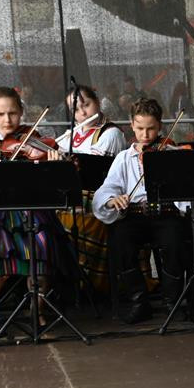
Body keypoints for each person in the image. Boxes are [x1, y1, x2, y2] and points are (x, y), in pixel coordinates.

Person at [0, 87, 69, 334]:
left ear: (21, 112)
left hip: (31, 211)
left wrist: (54, 166)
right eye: (1, 114)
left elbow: (57, 184)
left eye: (13, 113)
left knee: (40, 243)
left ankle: (36, 308)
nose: (7, 120)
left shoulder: (35, 140)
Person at [94, 98, 190, 324]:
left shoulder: (170, 153)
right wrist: (111, 200)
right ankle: (139, 301)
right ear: (131, 125)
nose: (145, 135)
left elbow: (185, 190)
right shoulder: (124, 158)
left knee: (175, 241)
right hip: (135, 215)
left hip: (166, 214)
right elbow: (108, 187)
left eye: (151, 129)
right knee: (120, 241)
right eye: (140, 129)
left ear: (160, 126)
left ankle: (172, 300)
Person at [55, 84, 128, 292]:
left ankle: (87, 284)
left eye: (86, 105)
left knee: (66, 222)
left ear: (97, 102)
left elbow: (96, 171)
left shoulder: (110, 133)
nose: (83, 112)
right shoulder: (70, 135)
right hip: (73, 198)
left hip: (99, 198)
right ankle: (64, 283)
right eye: (76, 110)